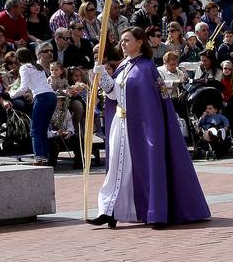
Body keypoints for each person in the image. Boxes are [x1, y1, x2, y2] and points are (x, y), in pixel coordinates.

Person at [87, 27, 211, 228]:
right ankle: (109, 210)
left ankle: (156, 212)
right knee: (117, 167)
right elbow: (114, 94)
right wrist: (102, 76)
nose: (123, 44)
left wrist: (151, 127)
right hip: (121, 124)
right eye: (122, 40)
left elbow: (153, 102)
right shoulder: (123, 65)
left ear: (140, 42)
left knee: (145, 166)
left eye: (127, 40)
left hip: (142, 127)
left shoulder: (146, 68)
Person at [9, 46, 56, 166]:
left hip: (41, 97)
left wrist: (12, 95)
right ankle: (45, 156)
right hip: (51, 96)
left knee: (35, 130)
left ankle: (38, 157)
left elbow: (24, 87)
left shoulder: (24, 67)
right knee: (44, 129)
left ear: (19, 59)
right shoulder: (38, 67)